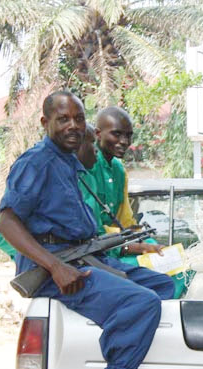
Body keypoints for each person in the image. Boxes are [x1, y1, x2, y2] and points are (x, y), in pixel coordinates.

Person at [0, 90, 175, 369]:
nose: (73, 126)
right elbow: (7, 223)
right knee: (141, 303)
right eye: (63, 119)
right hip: (56, 269)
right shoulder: (37, 162)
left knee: (164, 286)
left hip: (81, 256)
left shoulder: (67, 161)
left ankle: (133, 365)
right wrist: (56, 268)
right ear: (45, 123)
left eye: (79, 119)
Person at [81, 106, 188, 298]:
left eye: (128, 136)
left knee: (179, 264)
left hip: (118, 244)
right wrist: (138, 247)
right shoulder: (88, 164)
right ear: (97, 134)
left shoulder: (118, 168)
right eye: (116, 134)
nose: (124, 142)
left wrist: (144, 242)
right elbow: (93, 231)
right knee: (164, 275)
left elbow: (126, 220)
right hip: (100, 252)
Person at [0, 123, 97, 260]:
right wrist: (45, 259)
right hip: (53, 261)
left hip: (84, 255)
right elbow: (4, 232)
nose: (96, 150)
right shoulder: (36, 167)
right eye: (92, 143)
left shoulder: (86, 178)